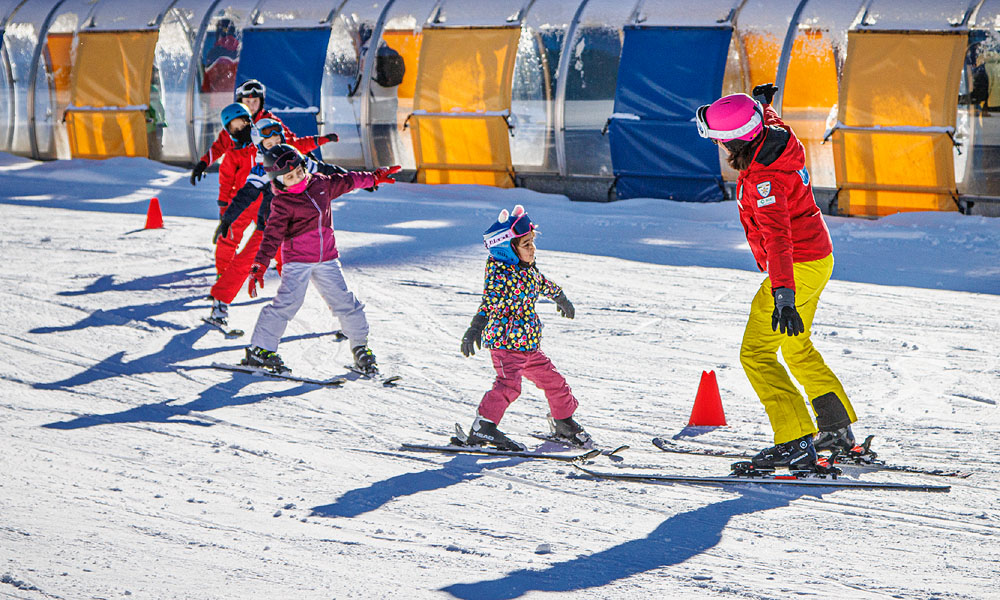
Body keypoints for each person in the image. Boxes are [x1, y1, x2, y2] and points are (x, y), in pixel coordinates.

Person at [695, 83, 861, 472]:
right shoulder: (773, 136)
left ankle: (793, 439)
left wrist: (783, 293)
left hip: (796, 265)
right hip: (817, 257)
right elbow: (765, 117)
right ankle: (835, 428)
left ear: (736, 143)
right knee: (796, 346)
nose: (719, 147)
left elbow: (778, 238)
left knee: (756, 352)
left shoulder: (764, 181)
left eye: (721, 140)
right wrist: (763, 103)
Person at [242, 144, 400, 375]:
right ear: (277, 181)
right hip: (297, 261)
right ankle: (261, 348)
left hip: (327, 258)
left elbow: (349, 180)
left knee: (345, 301)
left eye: (299, 172)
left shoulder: (320, 184)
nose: (297, 179)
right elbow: (272, 236)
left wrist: (373, 178)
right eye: (289, 177)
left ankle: (360, 347)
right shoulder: (283, 203)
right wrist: (260, 264)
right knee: (289, 302)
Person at [459, 206, 588, 451]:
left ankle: (564, 423)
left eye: (532, 243)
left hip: (528, 346)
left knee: (555, 382)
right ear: (507, 249)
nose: (532, 249)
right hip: (505, 345)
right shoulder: (500, 275)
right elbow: (489, 303)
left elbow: (543, 283)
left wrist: (560, 298)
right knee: (508, 386)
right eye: (526, 244)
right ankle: (483, 428)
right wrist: (475, 328)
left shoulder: (527, 271)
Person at [206, 116, 341, 326]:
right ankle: (220, 303)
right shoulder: (263, 170)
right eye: (268, 145)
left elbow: (326, 171)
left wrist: (365, 180)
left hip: (298, 230)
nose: (274, 148)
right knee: (245, 263)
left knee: (314, 269)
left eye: (277, 141)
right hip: (269, 230)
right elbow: (246, 194)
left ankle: (341, 312)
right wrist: (228, 219)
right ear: (260, 147)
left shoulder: (297, 160)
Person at [190, 79, 338, 186]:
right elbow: (219, 146)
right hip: (241, 183)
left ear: (261, 102)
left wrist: (312, 146)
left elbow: (290, 142)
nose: (252, 106)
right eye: (247, 102)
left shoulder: (270, 122)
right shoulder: (234, 124)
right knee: (234, 223)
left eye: (255, 101)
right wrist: (203, 164)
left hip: (268, 180)